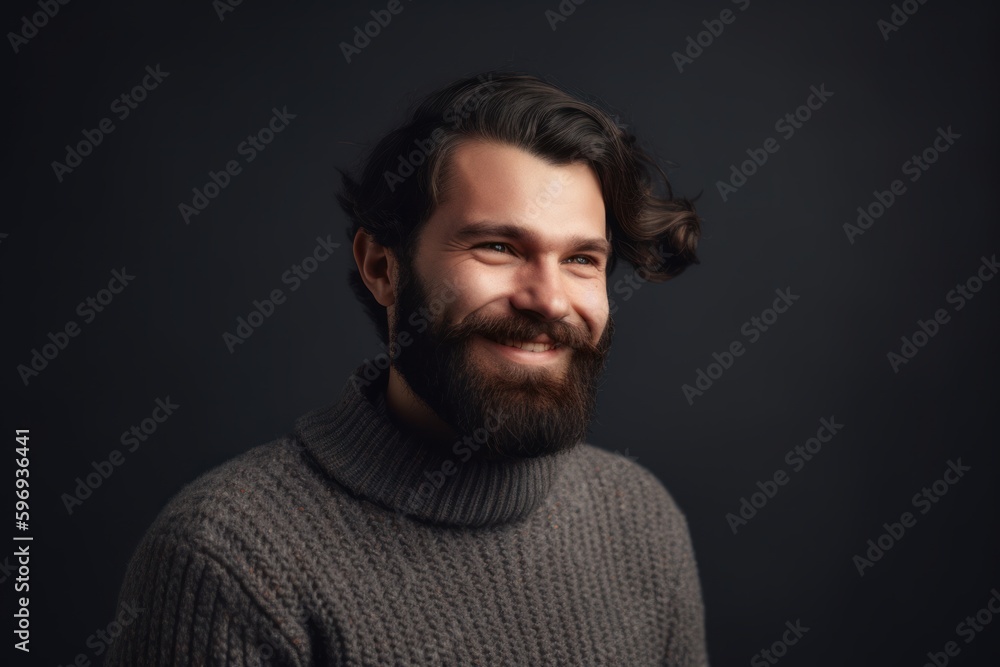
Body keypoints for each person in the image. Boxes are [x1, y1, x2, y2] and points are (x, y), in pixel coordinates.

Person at [105, 70, 709, 666]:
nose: (548, 299)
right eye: (498, 247)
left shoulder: (640, 521)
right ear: (381, 268)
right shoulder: (227, 563)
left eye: (581, 258)